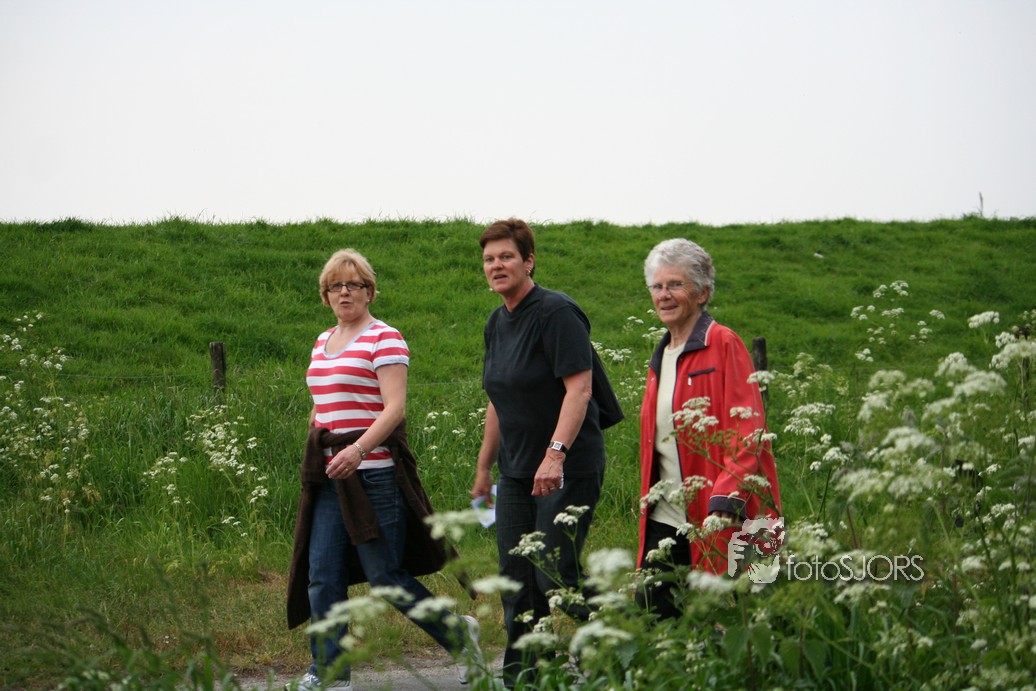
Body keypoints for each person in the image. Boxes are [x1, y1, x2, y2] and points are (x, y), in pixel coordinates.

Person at [286, 249, 479, 690]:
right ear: (325, 295)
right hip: (331, 477)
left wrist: (357, 450)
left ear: (369, 292)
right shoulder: (322, 341)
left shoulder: (384, 338)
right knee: (322, 575)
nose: (344, 292)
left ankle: (458, 634)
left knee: (385, 577)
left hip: (374, 474)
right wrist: (318, 438)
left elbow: (394, 409)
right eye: (335, 286)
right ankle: (330, 672)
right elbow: (321, 401)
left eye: (354, 285)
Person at [471, 219, 612, 688]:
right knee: (516, 578)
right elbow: (498, 399)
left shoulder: (556, 312)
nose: (496, 265)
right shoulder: (496, 323)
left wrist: (555, 455)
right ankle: (525, 677)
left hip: (569, 465)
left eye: (506, 256)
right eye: (489, 259)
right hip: (515, 471)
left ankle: (623, 638)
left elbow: (580, 388)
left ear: (528, 261)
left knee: (554, 573)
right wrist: (484, 467)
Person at [636, 238, 781, 619]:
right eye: (657, 286)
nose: (664, 295)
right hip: (666, 516)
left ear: (702, 293)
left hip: (719, 514)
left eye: (675, 285)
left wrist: (727, 498)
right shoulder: (661, 355)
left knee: (730, 619)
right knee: (653, 614)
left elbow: (747, 428)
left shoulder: (723, 343)